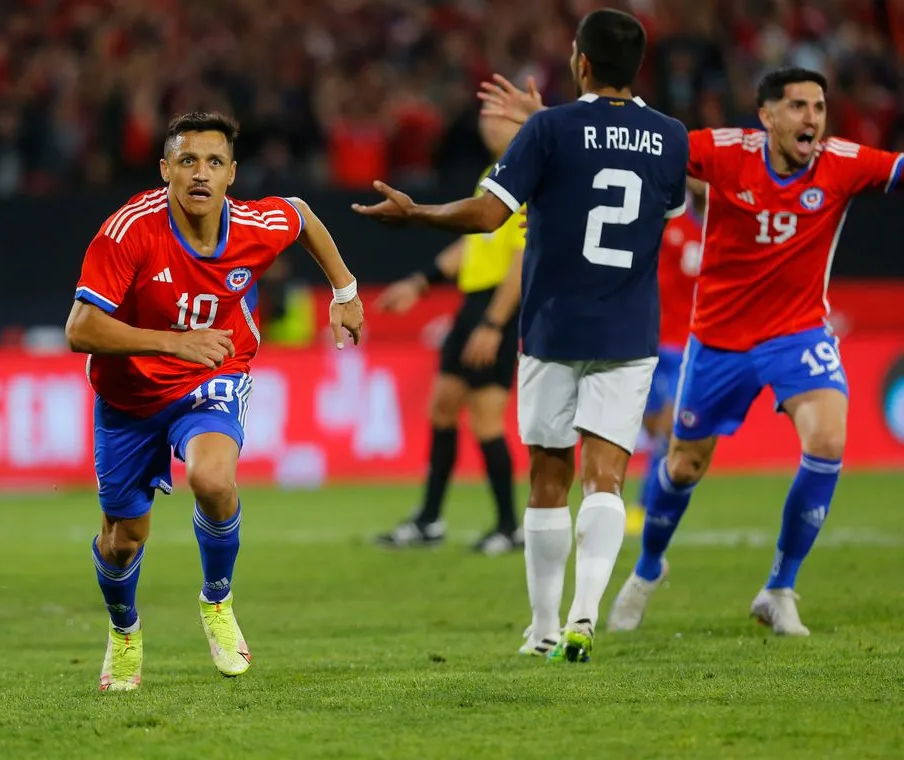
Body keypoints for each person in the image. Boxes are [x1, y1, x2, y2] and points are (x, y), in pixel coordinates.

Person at [354, 9, 689, 663]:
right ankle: (585, 616)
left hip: (552, 324)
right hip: (628, 327)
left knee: (548, 476)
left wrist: (417, 214)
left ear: (581, 63)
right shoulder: (669, 137)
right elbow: (656, 202)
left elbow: (487, 212)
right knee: (606, 478)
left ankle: (540, 630)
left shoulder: (549, 129)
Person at [65, 111, 365, 691]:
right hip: (128, 397)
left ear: (232, 173)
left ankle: (217, 601)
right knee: (123, 540)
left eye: (214, 162)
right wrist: (174, 342)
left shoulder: (253, 224)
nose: (200, 174)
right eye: (187, 161)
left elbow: (300, 215)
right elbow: (81, 328)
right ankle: (124, 631)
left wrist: (345, 291)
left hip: (213, 371)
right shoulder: (129, 231)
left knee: (213, 479)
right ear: (165, 170)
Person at [604, 68, 904, 635]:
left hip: (798, 333)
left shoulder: (842, 161)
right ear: (766, 117)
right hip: (718, 340)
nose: (811, 118)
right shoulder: (722, 151)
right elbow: (645, 143)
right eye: (796, 107)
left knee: (829, 439)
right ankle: (647, 569)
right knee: (684, 464)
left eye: (818, 106)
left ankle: (779, 587)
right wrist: (565, 130)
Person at [373, 111, 527, 556]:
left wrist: (495, 324)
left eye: (503, 118)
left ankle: (508, 526)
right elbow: (471, 246)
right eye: (487, 118)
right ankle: (429, 521)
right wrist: (420, 281)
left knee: (486, 417)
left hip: (497, 304)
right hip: (471, 305)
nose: (489, 124)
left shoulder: (525, 181)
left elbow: (522, 260)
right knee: (442, 408)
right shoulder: (492, 176)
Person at [626, 182, 705, 536]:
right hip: (653, 341)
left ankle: (648, 507)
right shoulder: (669, 224)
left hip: (692, 345)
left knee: (671, 430)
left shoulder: (726, 227)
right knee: (653, 426)